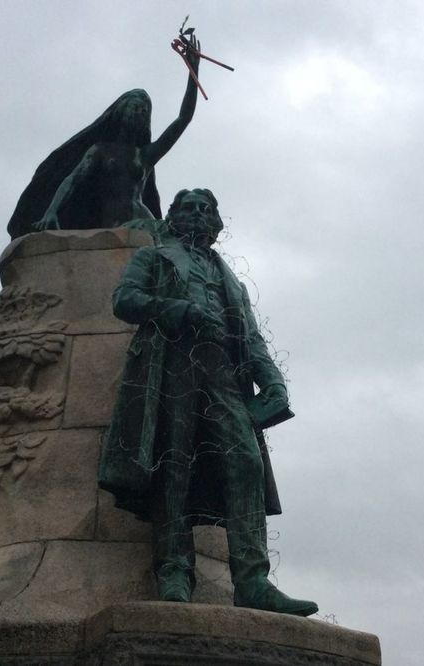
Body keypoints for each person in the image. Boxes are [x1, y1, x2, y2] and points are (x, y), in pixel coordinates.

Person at [99, 188, 318, 616]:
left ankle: (252, 581)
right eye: (188, 209)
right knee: (173, 465)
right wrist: (178, 309)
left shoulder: (230, 279)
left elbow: (250, 337)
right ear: (174, 218)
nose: (198, 215)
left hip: (223, 372)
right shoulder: (155, 258)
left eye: (206, 209)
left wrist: (272, 380)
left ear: (217, 222)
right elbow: (123, 300)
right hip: (172, 364)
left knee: (246, 462)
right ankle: (175, 570)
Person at [6, 37, 202, 239]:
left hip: (146, 222)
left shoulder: (145, 155)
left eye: (144, 111)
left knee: (182, 239)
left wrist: (193, 73)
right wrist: (51, 212)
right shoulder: (100, 151)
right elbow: (72, 181)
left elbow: (183, 119)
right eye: (135, 107)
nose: (139, 113)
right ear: (120, 112)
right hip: (117, 225)